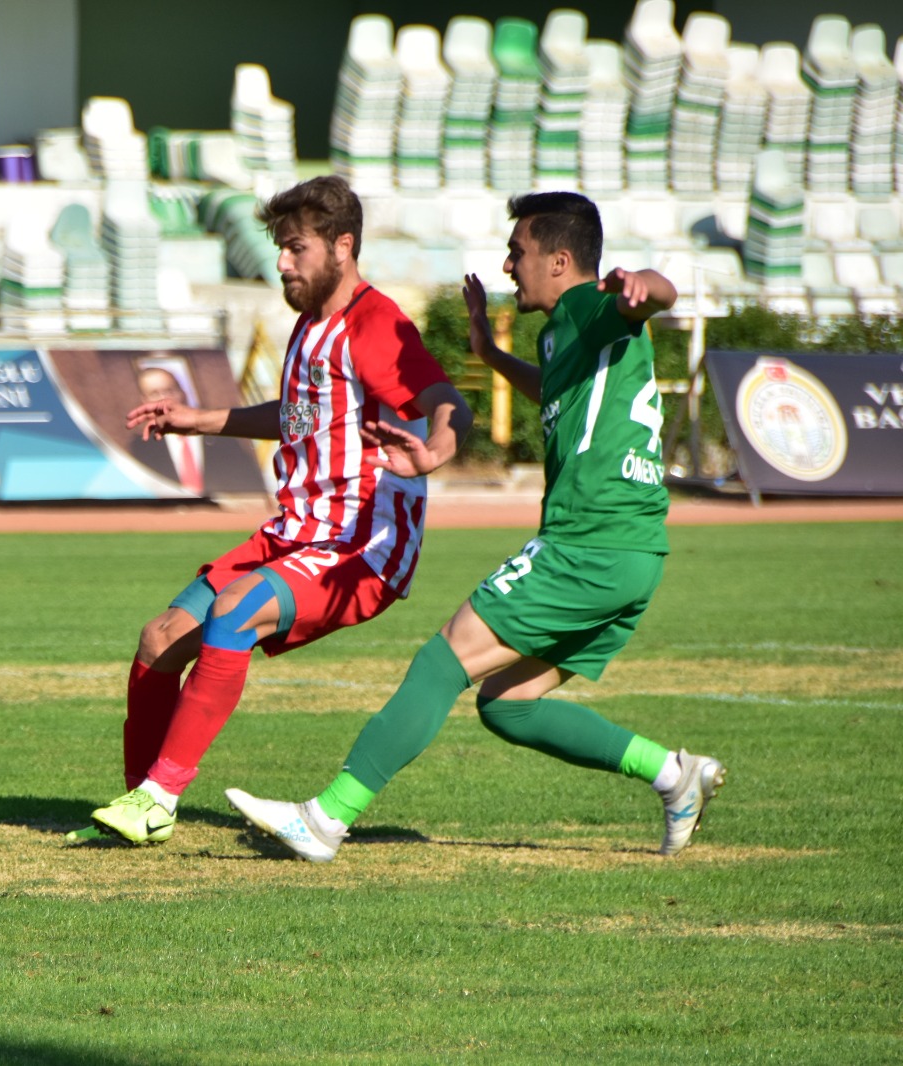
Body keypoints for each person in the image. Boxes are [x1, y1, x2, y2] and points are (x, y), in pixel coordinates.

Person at [225, 191, 726, 862]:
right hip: (631, 552)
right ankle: (675, 775)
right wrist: (489, 354)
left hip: (590, 544)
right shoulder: (564, 332)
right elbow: (558, 390)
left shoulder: (588, 305)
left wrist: (647, 286)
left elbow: (647, 301)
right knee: (509, 703)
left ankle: (324, 820)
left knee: (442, 661)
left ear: (561, 259)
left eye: (518, 252)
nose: (508, 264)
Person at [70, 175, 472, 845]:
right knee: (161, 637)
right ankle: (138, 808)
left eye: (296, 249)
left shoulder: (377, 323)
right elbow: (296, 417)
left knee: (234, 611)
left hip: (360, 543)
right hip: (296, 531)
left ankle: (160, 796)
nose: (282, 263)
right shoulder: (309, 325)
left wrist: (432, 453)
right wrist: (200, 420)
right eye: (280, 249)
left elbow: (446, 397)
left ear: (342, 247)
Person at [127, 361, 267, 497]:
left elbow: (251, 482)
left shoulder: (219, 436)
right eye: (155, 393)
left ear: (183, 392)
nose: (164, 399)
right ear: (144, 400)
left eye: (169, 390)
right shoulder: (141, 447)